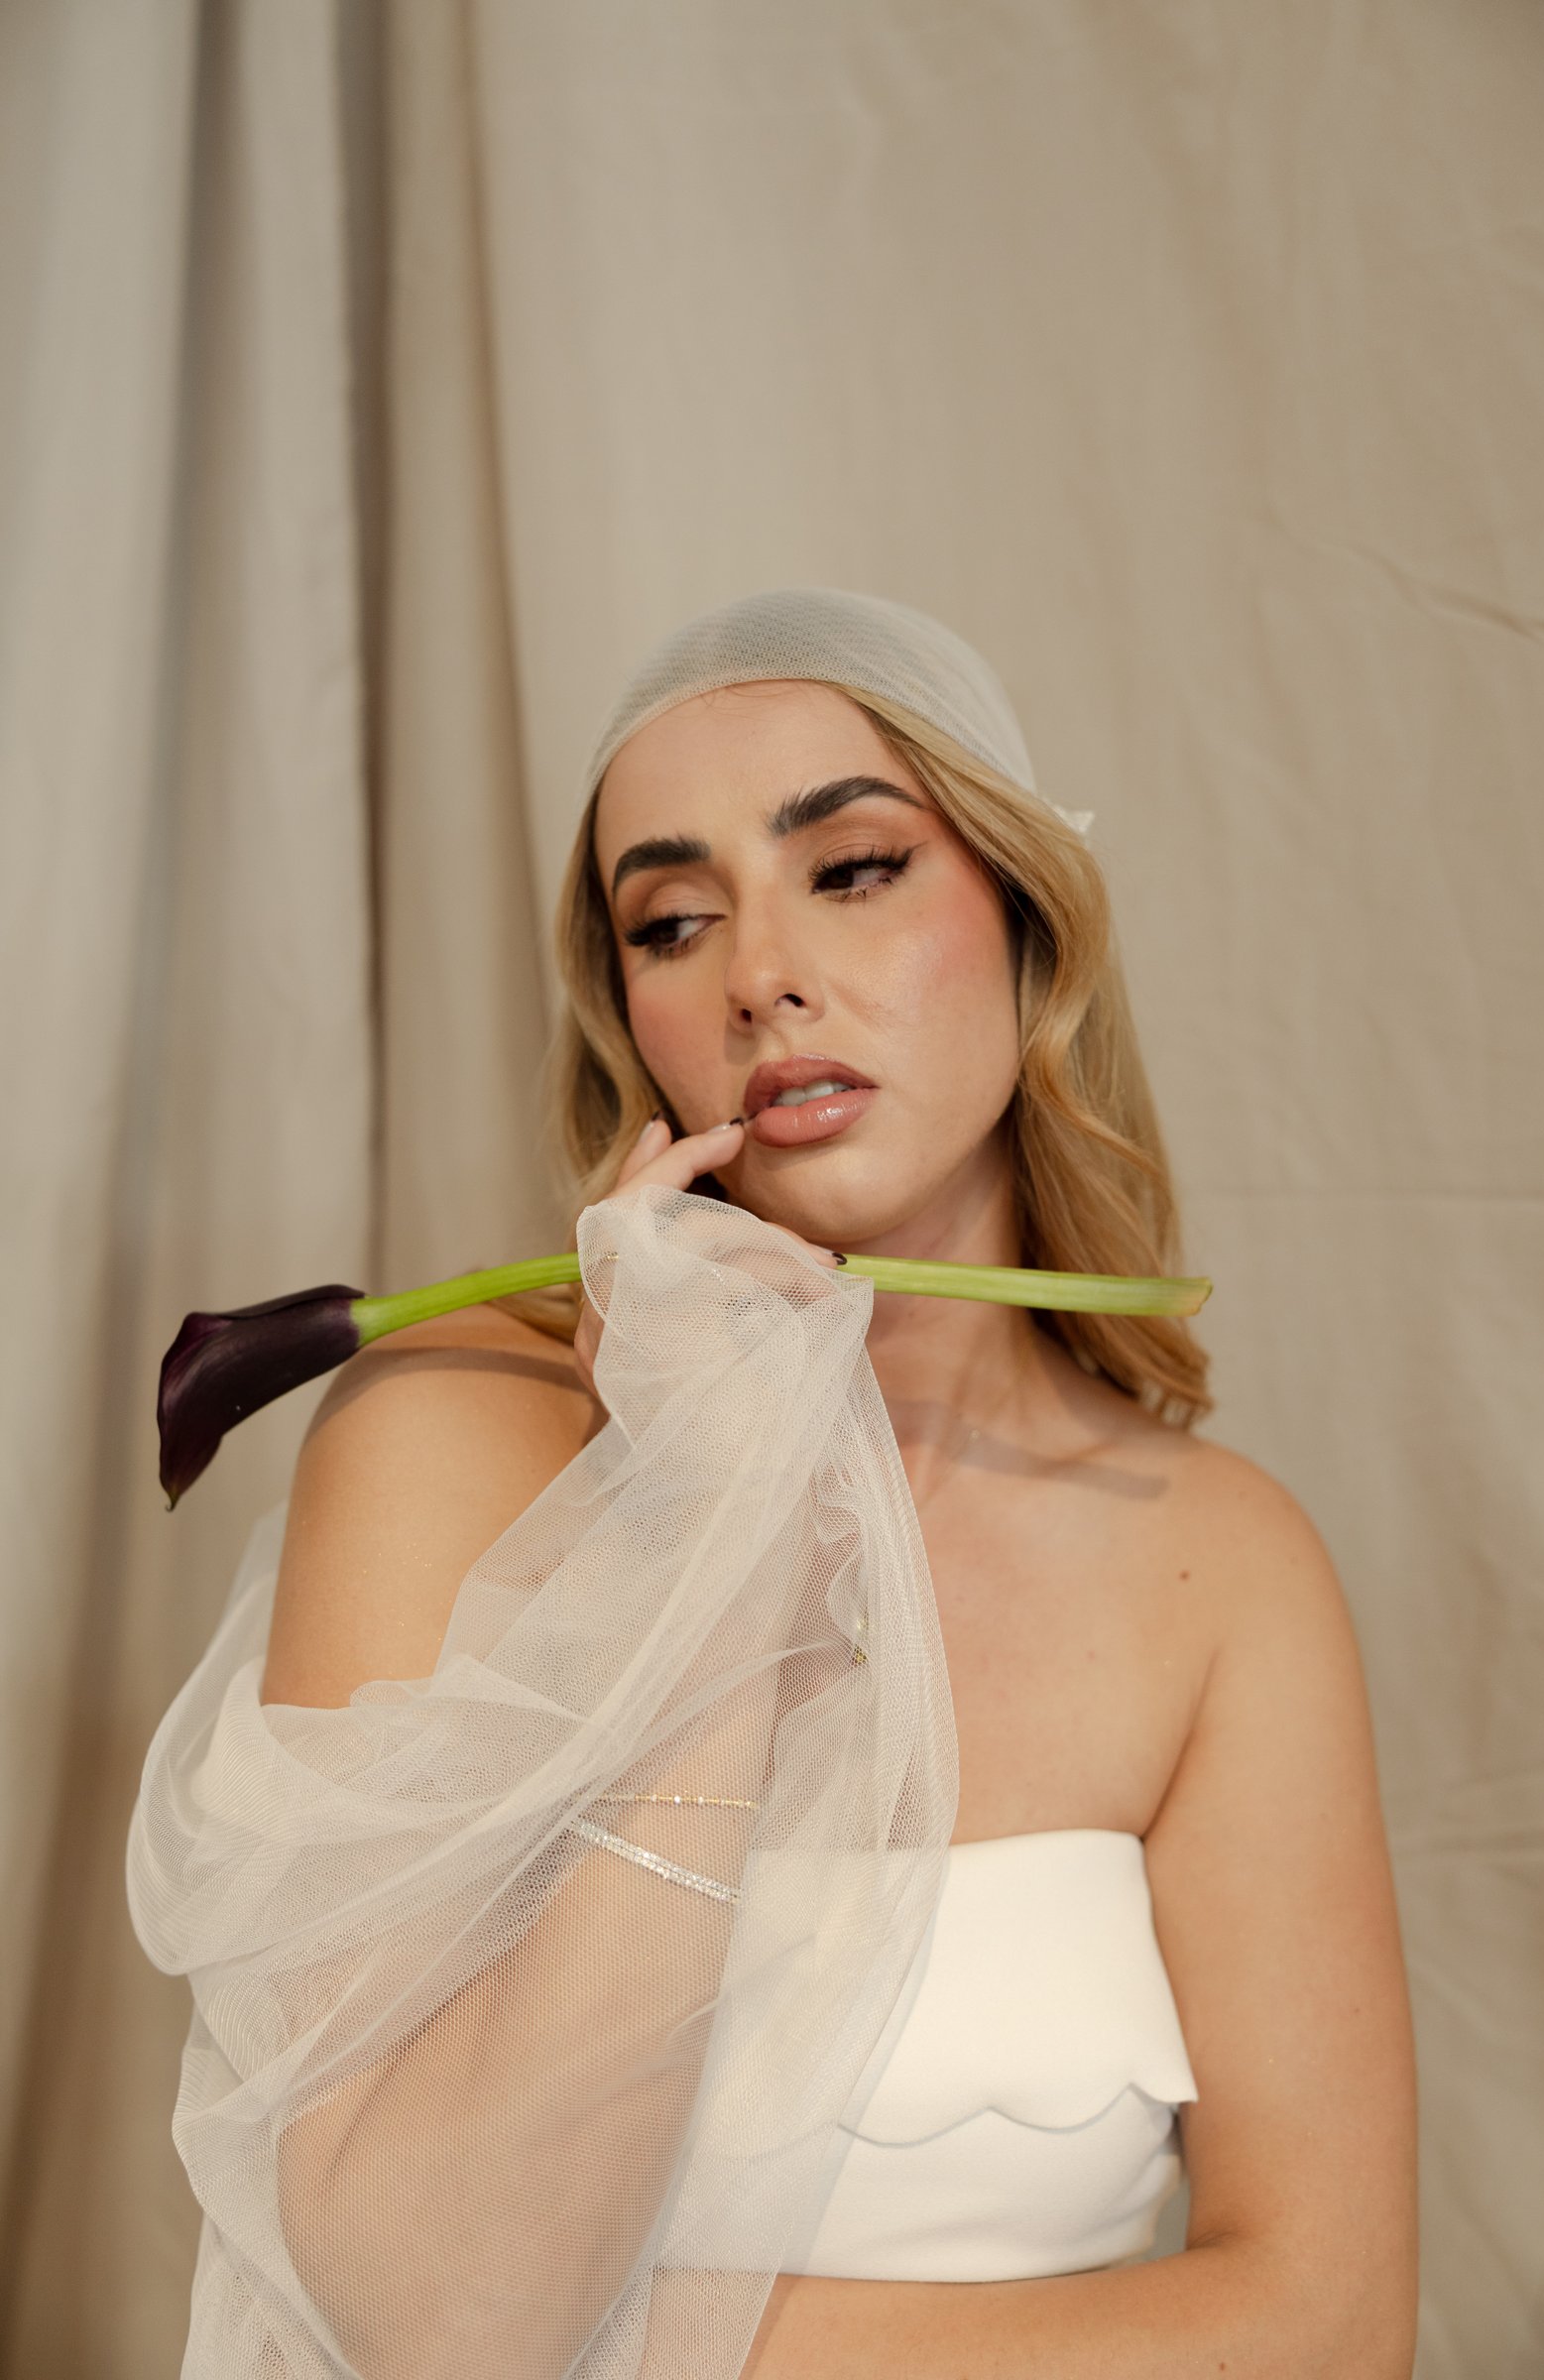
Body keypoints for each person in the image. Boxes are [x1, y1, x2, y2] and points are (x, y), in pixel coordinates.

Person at [131, 589, 1418, 2378]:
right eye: (673, 920)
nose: (758, 973)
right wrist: (718, 1527)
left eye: (856, 868)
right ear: (632, 1017)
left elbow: (1331, 2321)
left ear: (1031, 923)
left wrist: (629, 2347)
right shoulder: (444, 1437)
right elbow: (434, 2320)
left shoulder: (1217, 1562)